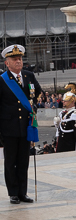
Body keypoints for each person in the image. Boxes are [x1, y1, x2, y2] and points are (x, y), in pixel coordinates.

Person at [1, 45, 42, 204]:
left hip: (26, 126)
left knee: (24, 161)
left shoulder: (29, 76)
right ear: (7, 63)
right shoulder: (2, 80)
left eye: (20, 59)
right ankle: (13, 193)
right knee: (11, 162)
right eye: (14, 59)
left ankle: (23, 192)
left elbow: (37, 93)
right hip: (9, 128)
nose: (18, 62)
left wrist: (34, 107)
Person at [54, 84, 76, 153]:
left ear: (72, 101)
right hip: (61, 145)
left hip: (70, 146)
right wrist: (57, 123)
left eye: (66, 100)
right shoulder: (62, 113)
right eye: (63, 100)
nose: (63, 102)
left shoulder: (75, 115)